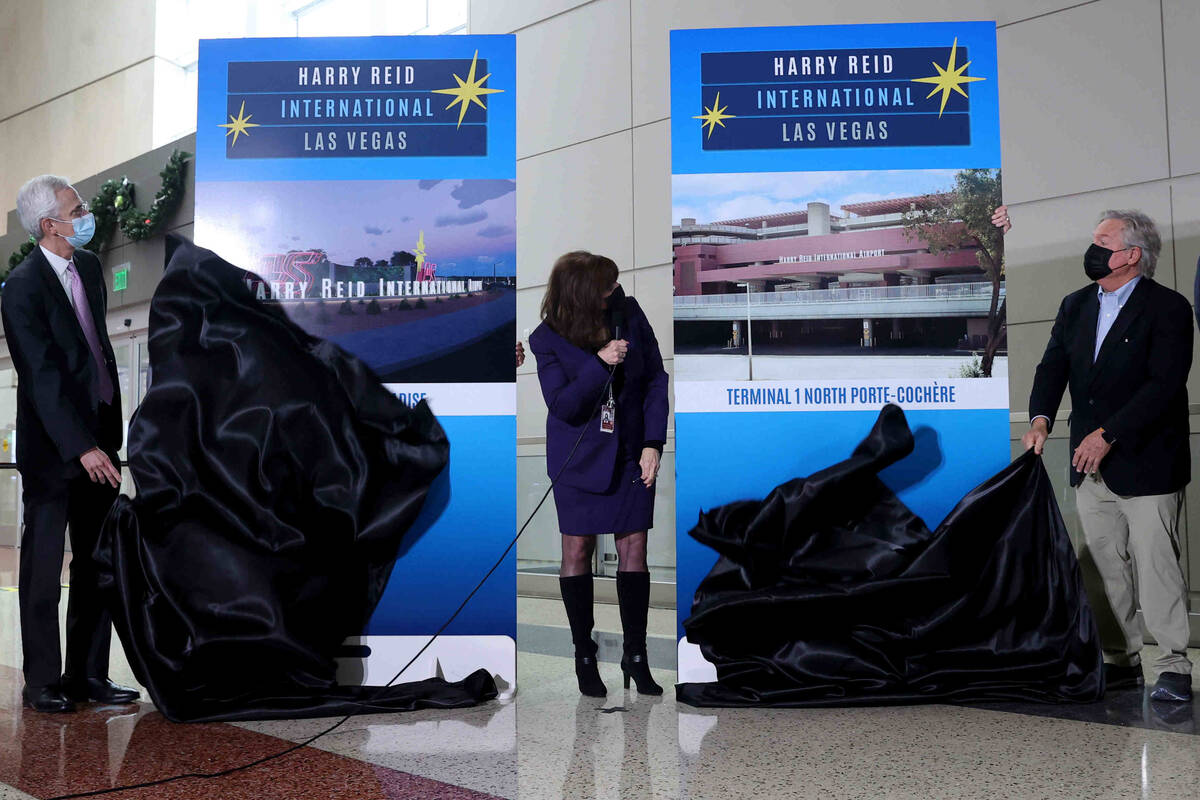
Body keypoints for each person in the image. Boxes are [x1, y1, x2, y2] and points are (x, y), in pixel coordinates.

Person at [1023, 209, 1194, 703]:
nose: (1092, 249)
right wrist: (1040, 419)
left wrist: (1109, 434)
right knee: (1102, 566)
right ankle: (1120, 659)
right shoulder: (1075, 305)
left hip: (1147, 460)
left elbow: (1164, 384)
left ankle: (1174, 666)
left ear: (1132, 255)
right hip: (1087, 463)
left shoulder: (1168, 308)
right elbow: (1051, 367)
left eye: (1103, 241)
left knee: (1156, 565)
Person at [2, 175, 139, 712]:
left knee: (94, 562)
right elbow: (41, 376)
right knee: (42, 569)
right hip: (55, 452)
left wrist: (104, 436)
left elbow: (94, 352)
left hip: (101, 439)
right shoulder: (21, 286)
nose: (84, 213)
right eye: (74, 207)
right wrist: (81, 446)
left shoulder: (88, 268)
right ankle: (42, 681)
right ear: (48, 225)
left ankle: (88, 675)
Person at [529, 251, 668, 697]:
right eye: (606, 286)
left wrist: (653, 443)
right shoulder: (547, 338)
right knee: (577, 549)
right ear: (583, 292)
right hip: (578, 457)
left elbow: (655, 379)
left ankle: (636, 656)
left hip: (630, 451)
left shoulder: (628, 313)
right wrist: (601, 362)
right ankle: (583, 654)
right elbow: (564, 406)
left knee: (634, 547)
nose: (613, 291)